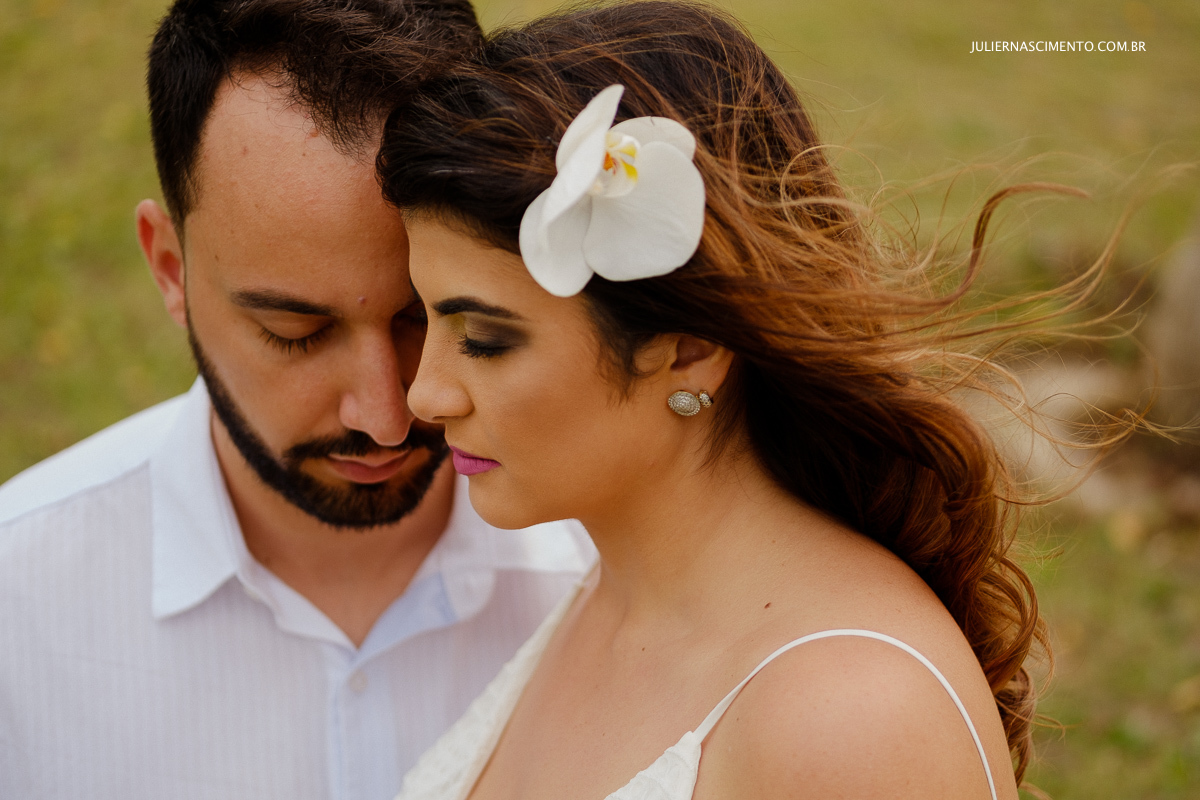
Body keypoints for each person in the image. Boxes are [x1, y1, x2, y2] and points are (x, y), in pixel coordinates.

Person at [378, 2, 1053, 798]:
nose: (422, 396)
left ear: (692, 348)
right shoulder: (602, 592)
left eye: (487, 341)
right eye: (422, 318)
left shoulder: (852, 721)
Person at [0, 1, 592, 798]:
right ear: (169, 268)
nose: (386, 414)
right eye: (296, 331)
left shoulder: (612, 567)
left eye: (424, 316)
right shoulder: (19, 610)